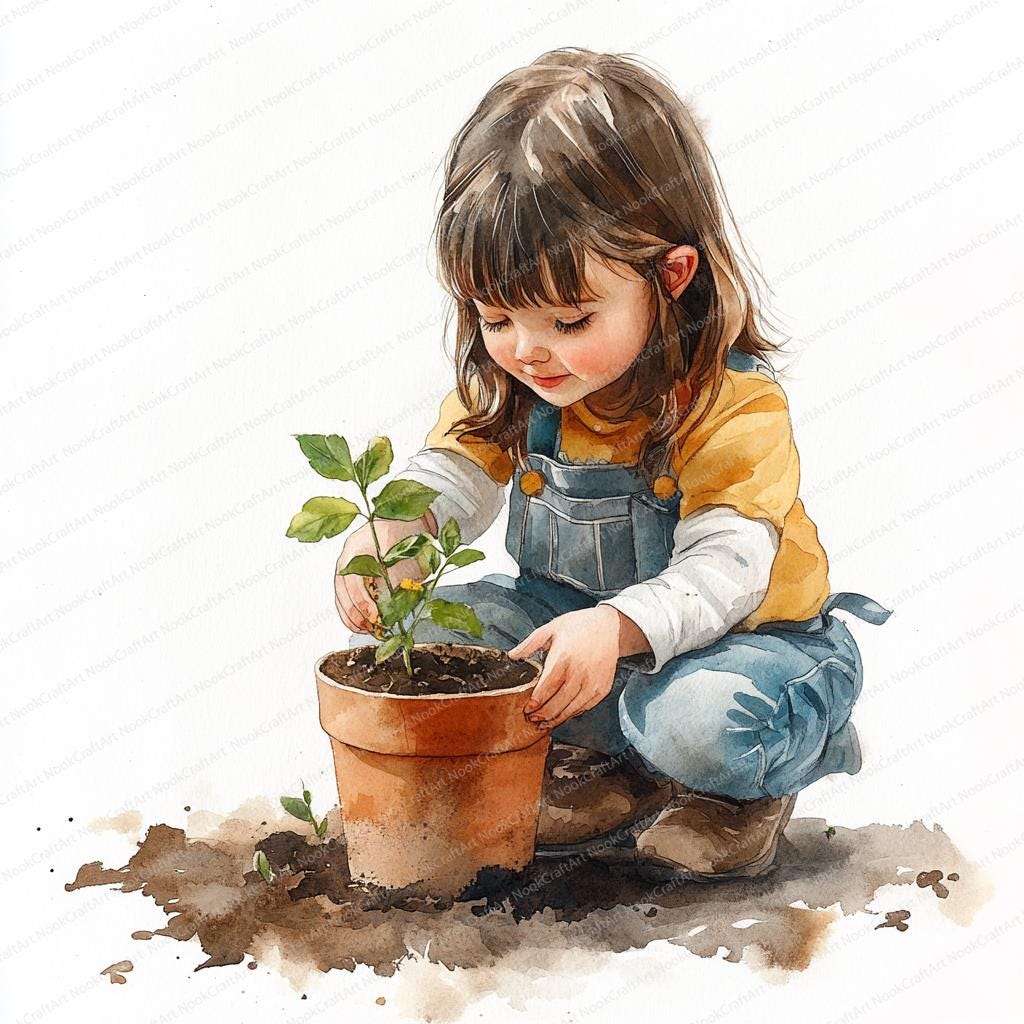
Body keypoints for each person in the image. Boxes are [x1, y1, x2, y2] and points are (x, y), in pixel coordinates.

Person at [335, 47, 891, 880]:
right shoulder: (517, 384)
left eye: (568, 319)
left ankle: (743, 783)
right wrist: (393, 532)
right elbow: (453, 469)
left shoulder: (730, 405)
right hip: (573, 628)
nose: (527, 351)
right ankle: (621, 771)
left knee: (698, 722)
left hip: (740, 643)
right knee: (448, 640)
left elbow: (728, 568)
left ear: (669, 277)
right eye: (496, 317)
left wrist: (619, 628)